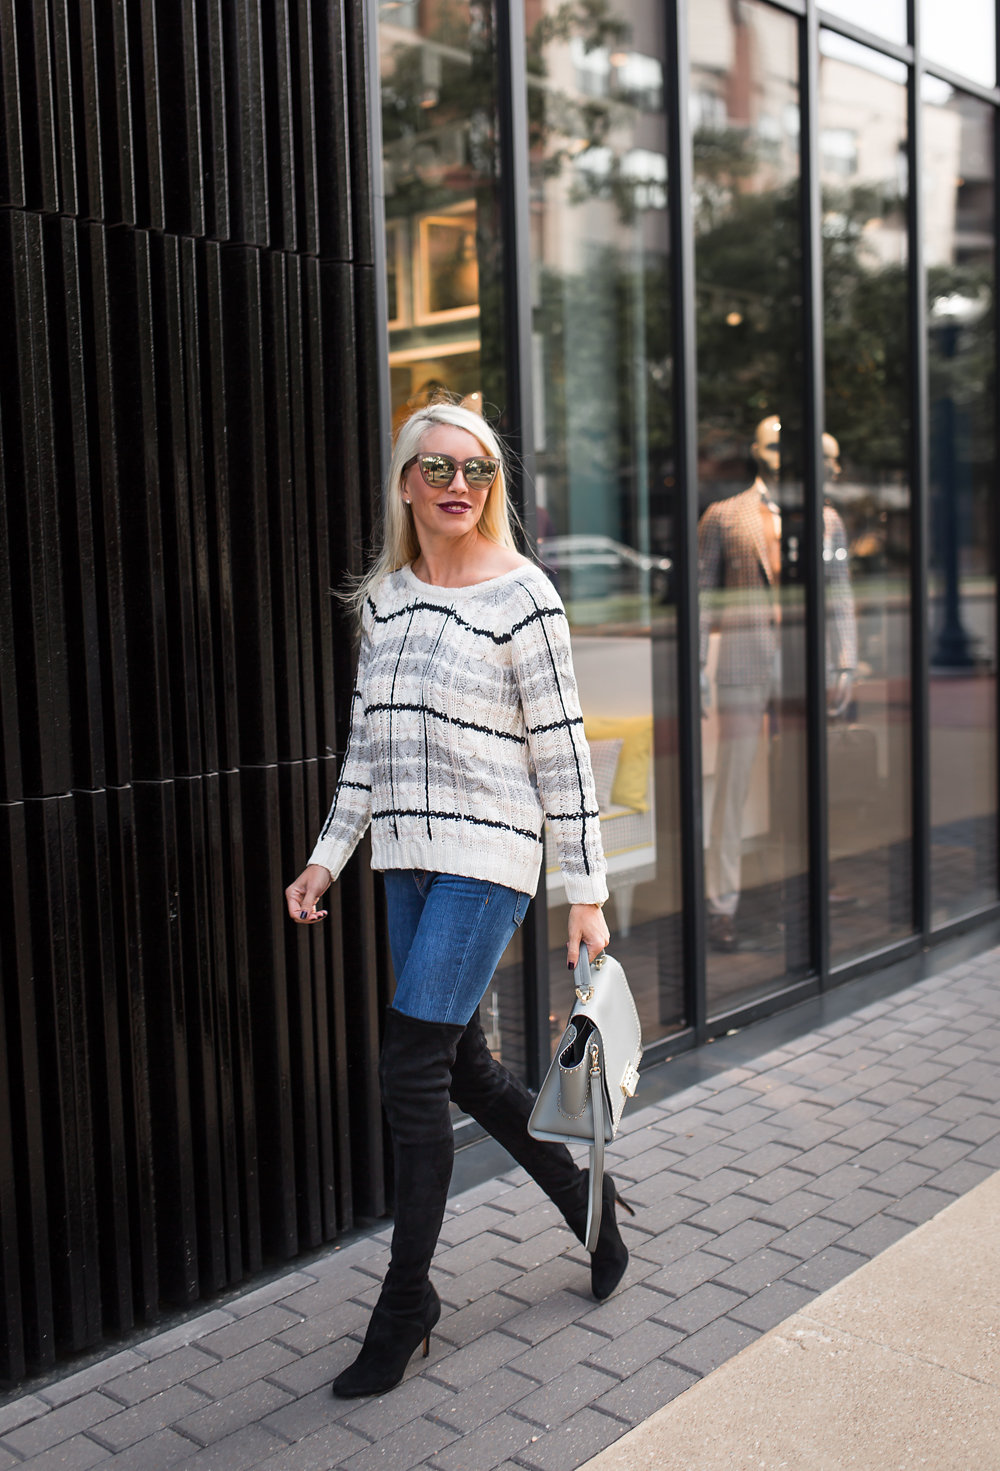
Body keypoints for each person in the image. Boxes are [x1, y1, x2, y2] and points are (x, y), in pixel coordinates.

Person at [285, 400, 629, 1401]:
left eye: (477, 469)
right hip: (406, 859)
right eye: (436, 467)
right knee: (464, 1066)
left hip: (488, 860)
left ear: (493, 486)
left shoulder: (524, 595)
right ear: (406, 482)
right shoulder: (386, 600)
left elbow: (562, 753)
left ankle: (406, 1306)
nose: (458, 485)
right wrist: (325, 860)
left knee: (410, 1068)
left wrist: (585, 892)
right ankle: (592, 1209)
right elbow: (367, 749)